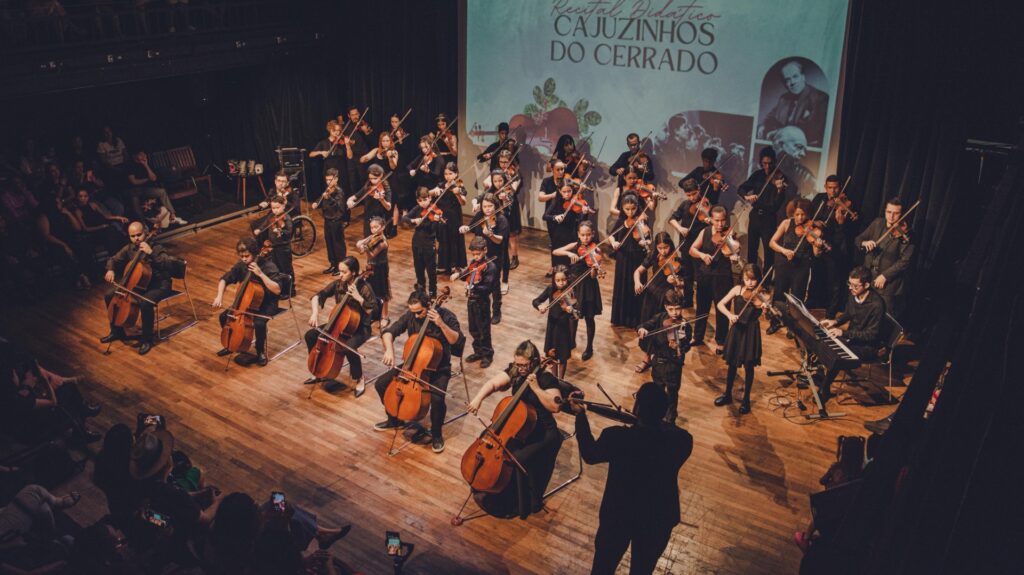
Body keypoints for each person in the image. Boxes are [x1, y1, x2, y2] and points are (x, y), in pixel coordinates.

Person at [570, 382, 693, 575]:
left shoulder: (617, 437)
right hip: (657, 517)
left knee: (603, 568)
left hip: (619, 514)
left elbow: (590, 454)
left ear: (638, 408)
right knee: (642, 570)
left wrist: (580, 415)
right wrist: (648, 421)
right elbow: (668, 432)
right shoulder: (682, 441)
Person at [467, 340, 576, 519]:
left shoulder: (545, 378)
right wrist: (478, 399)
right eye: (518, 364)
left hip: (544, 432)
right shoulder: (515, 370)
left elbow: (555, 406)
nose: (521, 369)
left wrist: (536, 388)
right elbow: (494, 384)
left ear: (533, 362)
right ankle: (490, 485)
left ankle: (523, 503)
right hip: (521, 427)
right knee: (485, 437)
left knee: (517, 458)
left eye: (524, 365)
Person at [374, 290, 464, 453]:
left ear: (429, 305)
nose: (415, 316)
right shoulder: (411, 315)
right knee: (381, 384)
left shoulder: (447, 316)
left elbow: (457, 341)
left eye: (419, 312)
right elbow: (388, 332)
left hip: (439, 368)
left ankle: (436, 435)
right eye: (412, 312)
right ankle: (394, 420)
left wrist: (441, 324)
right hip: (412, 366)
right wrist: (389, 350)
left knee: (437, 400)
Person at [303, 256, 377, 396]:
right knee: (311, 335)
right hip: (339, 324)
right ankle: (318, 368)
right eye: (340, 271)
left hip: (360, 327)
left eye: (344, 272)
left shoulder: (364, 288)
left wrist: (358, 298)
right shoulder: (339, 284)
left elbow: (371, 310)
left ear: (354, 272)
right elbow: (317, 296)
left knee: (348, 347)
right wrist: (314, 313)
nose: (341, 275)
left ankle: (359, 378)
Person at [101, 221, 175, 355]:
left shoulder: (156, 247)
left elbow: (168, 264)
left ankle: (147, 339)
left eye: (139, 235)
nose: (136, 239)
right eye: (132, 236)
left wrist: (151, 252)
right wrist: (110, 269)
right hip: (138, 284)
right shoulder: (129, 248)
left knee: (145, 303)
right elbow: (113, 259)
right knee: (109, 295)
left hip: (159, 284)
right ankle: (117, 332)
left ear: (145, 233)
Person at [212, 236, 283, 366]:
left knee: (259, 323)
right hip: (246, 303)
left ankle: (260, 351)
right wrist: (219, 296)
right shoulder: (241, 266)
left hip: (267, 303)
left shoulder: (269, 266)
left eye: (247, 256)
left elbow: (277, 290)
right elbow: (224, 279)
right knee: (224, 316)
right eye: (242, 256)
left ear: (255, 253)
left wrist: (261, 274)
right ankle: (231, 344)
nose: (244, 259)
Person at [820, 267, 886, 400]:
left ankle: (824, 388)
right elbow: (849, 313)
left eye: (855, 286)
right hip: (853, 338)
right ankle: (819, 375)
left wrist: (843, 333)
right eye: (849, 284)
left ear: (866, 285)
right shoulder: (854, 295)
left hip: (868, 347)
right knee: (822, 339)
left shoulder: (877, 305)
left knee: (836, 353)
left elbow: (871, 335)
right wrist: (835, 321)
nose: (851, 288)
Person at [715, 264, 768, 414]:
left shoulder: (760, 294)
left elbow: (766, 313)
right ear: (742, 278)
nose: (750, 283)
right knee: (731, 364)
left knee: (748, 367)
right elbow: (720, 304)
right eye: (747, 279)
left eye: (753, 280)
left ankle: (746, 400)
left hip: (751, 332)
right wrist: (730, 315)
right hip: (737, 330)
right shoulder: (737, 290)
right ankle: (727, 394)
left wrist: (764, 308)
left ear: (758, 279)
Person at [688, 206, 741, 352]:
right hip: (704, 276)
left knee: (721, 309)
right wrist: (702, 255)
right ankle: (697, 337)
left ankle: (721, 341)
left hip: (723, 277)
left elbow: (733, 253)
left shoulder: (730, 234)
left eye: (723, 220)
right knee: (701, 308)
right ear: (711, 219)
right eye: (717, 220)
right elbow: (691, 249)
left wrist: (734, 258)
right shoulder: (704, 232)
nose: (720, 224)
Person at [637, 290, 692, 423]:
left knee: (672, 394)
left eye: (678, 309)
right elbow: (644, 325)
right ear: (666, 307)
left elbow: (687, 346)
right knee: (658, 391)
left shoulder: (685, 326)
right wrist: (642, 329)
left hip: (673, 365)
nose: (674, 313)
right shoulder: (659, 318)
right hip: (657, 363)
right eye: (671, 309)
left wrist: (679, 347)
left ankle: (671, 418)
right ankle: (658, 416)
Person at [854, 197, 914, 318]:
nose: (891, 216)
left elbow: (905, 261)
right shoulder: (878, 223)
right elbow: (858, 239)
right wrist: (864, 243)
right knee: (864, 312)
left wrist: (885, 276)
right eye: (889, 212)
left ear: (902, 214)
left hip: (888, 284)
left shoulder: (906, 233)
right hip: (868, 276)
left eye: (896, 213)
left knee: (883, 316)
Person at [553, 220, 603, 361]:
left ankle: (589, 347)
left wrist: (594, 268)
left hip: (588, 287)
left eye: (588, 235)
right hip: (574, 285)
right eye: (583, 235)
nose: (586, 238)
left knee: (589, 318)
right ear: (578, 235)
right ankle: (571, 341)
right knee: (573, 316)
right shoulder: (575, 246)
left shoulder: (596, 249)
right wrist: (569, 254)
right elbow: (555, 251)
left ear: (592, 234)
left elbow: (593, 276)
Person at [632, 233, 682, 372]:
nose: (663, 251)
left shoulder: (677, 259)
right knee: (649, 326)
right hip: (651, 294)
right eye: (660, 248)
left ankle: (661, 359)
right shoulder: (653, 255)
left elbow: (682, 285)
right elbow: (638, 271)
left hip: (666, 298)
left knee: (662, 329)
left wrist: (676, 282)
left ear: (670, 245)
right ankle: (646, 359)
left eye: (666, 248)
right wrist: (637, 282)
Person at [460, 193, 509, 324]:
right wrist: (465, 228)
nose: (487, 209)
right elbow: (471, 228)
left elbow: (501, 241)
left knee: (494, 285)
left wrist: (491, 235)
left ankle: (497, 311)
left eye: (490, 206)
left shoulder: (501, 219)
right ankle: (481, 307)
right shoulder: (479, 216)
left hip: (494, 255)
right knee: (478, 280)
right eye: (484, 206)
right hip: (480, 255)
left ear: (495, 206)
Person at [757, 60, 829, 147]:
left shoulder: (820, 98)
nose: (792, 82)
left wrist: (779, 132)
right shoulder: (784, 99)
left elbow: (812, 131)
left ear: (803, 77)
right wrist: (764, 125)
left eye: (795, 76)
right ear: (784, 84)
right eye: (788, 80)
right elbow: (771, 117)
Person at [739, 147, 789, 270]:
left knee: (768, 252)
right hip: (755, 215)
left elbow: (777, 205)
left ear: (775, 162)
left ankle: (765, 282)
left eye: (770, 163)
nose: (767, 167)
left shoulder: (780, 178)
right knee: (752, 249)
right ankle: (751, 275)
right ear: (761, 162)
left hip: (769, 218)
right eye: (764, 163)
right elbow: (741, 188)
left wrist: (779, 190)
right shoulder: (757, 175)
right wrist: (747, 196)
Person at [810, 175, 853, 319]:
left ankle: (830, 312)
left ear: (840, 188)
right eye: (830, 188)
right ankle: (812, 306)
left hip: (835, 246)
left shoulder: (844, 203)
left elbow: (847, 231)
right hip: (818, 243)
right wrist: (816, 223)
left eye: (835, 188)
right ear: (825, 187)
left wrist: (841, 221)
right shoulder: (820, 198)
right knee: (816, 276)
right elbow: (810, 217)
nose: (833, 191)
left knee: (833, 281)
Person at [452, 237, 497, 368]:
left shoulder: (490, 267)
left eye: (479, 254)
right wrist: (458, 274)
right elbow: (466, 274)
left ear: (485, 250)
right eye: (474, 254)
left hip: (481, 302)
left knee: (484, 330)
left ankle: (487, 355)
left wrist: (474, 287)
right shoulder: (473, 264)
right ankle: (478, 352)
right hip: (471, 300)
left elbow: (488, 288)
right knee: (473, 329)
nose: (476, 257)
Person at [769, 197, 825, 303]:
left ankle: (794, 318)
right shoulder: (786, 223)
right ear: (792, 213)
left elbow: (816, 254)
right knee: (780, 292)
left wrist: (818, 246)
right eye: (797, 214)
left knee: (798, 295)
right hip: (784, 262)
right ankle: (777, 317)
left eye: (803, 214)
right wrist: (784, 250)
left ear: (808, 214)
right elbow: (772, 242)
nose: (800, 218)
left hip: (802, 265)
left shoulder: (812, 228)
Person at [609, 194, 650, 329]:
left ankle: (635, 319)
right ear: (623, 208)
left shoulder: (642, 220)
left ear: (637, 207)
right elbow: (611, 236)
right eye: (627, 209)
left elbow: (648, 238)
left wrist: (645, 242)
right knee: (622, 286)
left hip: (637, 257)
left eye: (633, 209)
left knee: (636, 285)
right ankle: (619, 318)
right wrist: (614, 242)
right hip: (623, 258)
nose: (630, 212)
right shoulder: (621, 221)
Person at [667, 178, 709, 307]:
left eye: (694, 194)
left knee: (700, 275)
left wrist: (707, 217)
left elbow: (710, 220)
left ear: (699, 190)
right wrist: (680, 228)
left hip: (699, 247)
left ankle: (702, 302)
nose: (691, 197)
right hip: (686, 243)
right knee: (687, 274)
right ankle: (688, 300)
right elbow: (672, 219)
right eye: (688, 195)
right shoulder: (684, 205)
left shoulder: (705, 204)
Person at [532, 265, 578, 379]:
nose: (561, 283)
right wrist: (540, 306)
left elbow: (578, 313)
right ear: (554, 280)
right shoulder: (550, 289)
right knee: (552, 356)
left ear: (567, 279)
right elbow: (536, 300)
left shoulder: (571, 290)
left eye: (563, 280)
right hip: (552, 326)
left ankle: (560, 380)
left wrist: (571, 310)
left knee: (562, 358)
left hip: (564, 329)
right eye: (558, 280)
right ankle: (554, 379)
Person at [125, 150, 187, 225]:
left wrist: (146, 165)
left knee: (162, 192)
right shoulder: (130, 165)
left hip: (146, 189)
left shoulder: (146, 164)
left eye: (144, 154)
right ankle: (143, 225)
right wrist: (147, 179)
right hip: (135, 190)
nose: (144, 156)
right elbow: (134, 181)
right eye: (141, 154)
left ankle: (173, 216)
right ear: (135, 156)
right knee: (134, 198)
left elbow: (153, 178)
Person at [252, 195, 295, 298]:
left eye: (277, 208)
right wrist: (259, 229)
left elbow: (289, 232)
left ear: (283, 207)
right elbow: (265, 224)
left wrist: (281, 231)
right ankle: (280, 289)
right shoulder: (271, 216)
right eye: (273, 208)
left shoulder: (287, 218)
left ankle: (290, 290)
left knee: (286, 269)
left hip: (283, 248)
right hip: (274, 247)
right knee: (277, 269)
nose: (275, 210)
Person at [402, 187, 441, 298]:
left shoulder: (435, 211)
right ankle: (421, 292)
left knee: (431, 272)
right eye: (420, 200)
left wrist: (437, 221)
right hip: (416, 243)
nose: (423, 203)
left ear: (429, 198)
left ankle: (433, 295)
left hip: (429, 244)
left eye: (425, 200)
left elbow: (434, 230)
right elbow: (404, 218)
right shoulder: (417, 209)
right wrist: (413, 220)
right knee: (418, 269)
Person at [431, 162, 467, 275]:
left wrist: (457, 194)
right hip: (442, 216)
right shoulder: (441, 184)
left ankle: (455, 265)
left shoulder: (459, 186)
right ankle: (443, 265)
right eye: (446, 174)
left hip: (454, 218)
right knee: (443, 240)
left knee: (454, 240)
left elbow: (463, 202)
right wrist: (434, 192)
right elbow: (429, 193)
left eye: (450, 173)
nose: (448, 176)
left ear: (456, 174)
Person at [311, 168, 348, 276]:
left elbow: (340, 207)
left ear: (336, 179)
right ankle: (333, 264)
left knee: (338, 244)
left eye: (330, 180)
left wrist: (330, 198)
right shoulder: (327, 190)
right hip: (327, 220)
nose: (328, 182)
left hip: (336, 221)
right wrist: (316, 203)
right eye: (327, 180)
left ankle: (340, 265)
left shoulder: (339, 191)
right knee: (329, 243)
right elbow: (321, 198)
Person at [355, 216, 391, 326]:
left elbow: (371, 255)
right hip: (371, 267)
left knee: (383, 292)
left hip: (380, 268)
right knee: (371, 290)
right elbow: (361, 243)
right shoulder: (373, 237)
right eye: (372, 227)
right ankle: (374, 313)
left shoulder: (382, 242)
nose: (374, 230)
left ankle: (385, 316)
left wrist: (365, 248)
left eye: (376, 227)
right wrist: (359, 243)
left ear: (383, 227)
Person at [348, 164, 392, 238]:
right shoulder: (368, 186)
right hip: (368, 219)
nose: (373, 181)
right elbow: (354, 197)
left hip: (379, 220)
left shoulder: (386, 189)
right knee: (367, 239)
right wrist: (349, 201)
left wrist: (382, 200)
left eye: (375, 178)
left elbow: (388, 207)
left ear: (381, 176)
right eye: (370, 178)